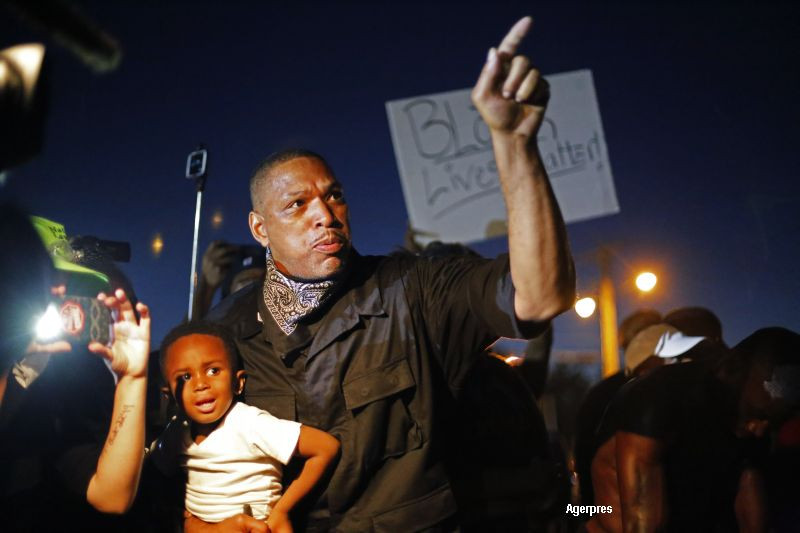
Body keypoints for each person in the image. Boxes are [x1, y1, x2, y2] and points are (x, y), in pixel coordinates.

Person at [198, 15, 575, 532]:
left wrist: (514, 144)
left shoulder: (413, 290)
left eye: (334, 195)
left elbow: (540, 298)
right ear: (259, 229)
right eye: (297, 204)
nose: (325, 215)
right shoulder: (227, 333)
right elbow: (196, 475)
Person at [589, 327, 800, 532]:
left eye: (773, 422)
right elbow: (642, 522)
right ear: (732, 376)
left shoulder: (749, 413)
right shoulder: (657, 398)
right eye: (757, 416)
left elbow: (751, 507)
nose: (760, 430)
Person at [153, 321, 340, 532]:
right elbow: (157, 472)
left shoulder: (248, 422)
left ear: (238, 383)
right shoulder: (177, 430)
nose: (201, 384)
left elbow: (326, 447)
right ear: (169, 394)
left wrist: (281, 511)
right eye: (185, 377)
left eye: (213, 371)